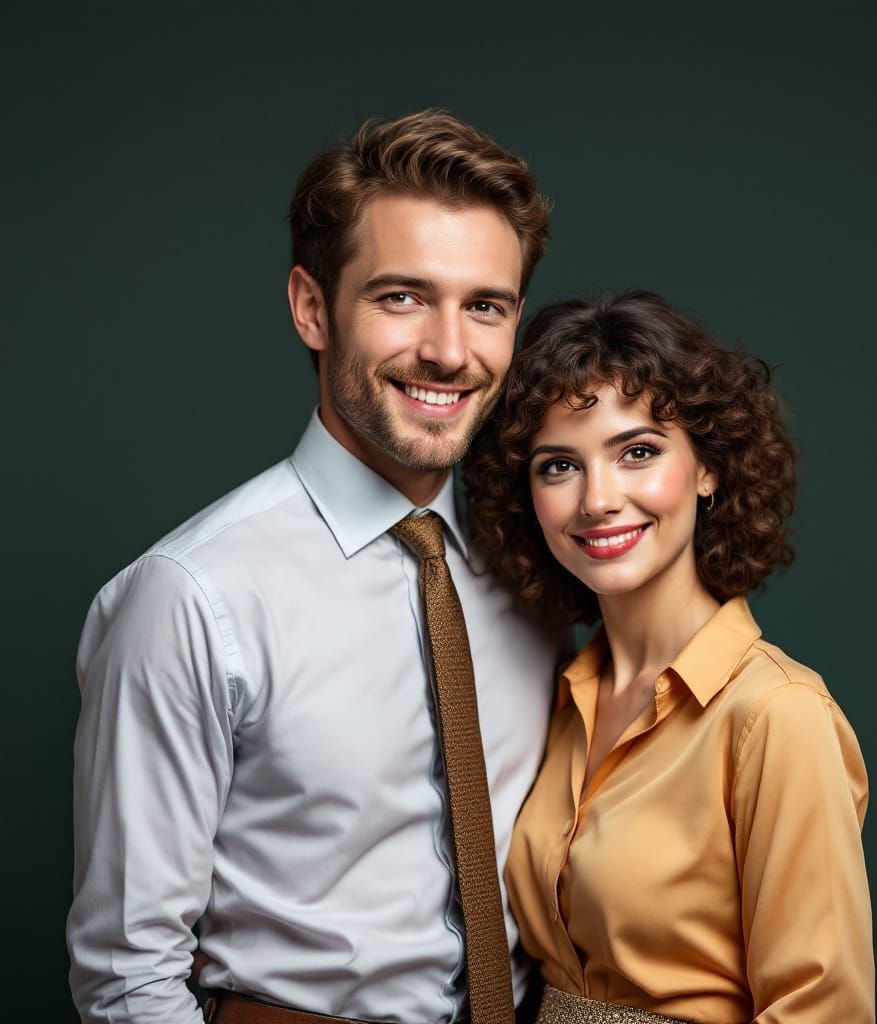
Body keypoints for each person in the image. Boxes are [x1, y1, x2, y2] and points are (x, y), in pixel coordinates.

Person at [67, 110, 561, 1024]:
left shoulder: (540, 567)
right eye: (401, 297)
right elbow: (127, 978)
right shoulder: (190, 599)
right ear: (310, 307)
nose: (450, 351)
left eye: (484, 305)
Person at [464, 291, 875, 1023]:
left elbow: (821, 1011)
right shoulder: (562, 697)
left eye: (638, 452)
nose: (598, 499)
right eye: (558, 466)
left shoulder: (776, 716)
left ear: (708, 468)